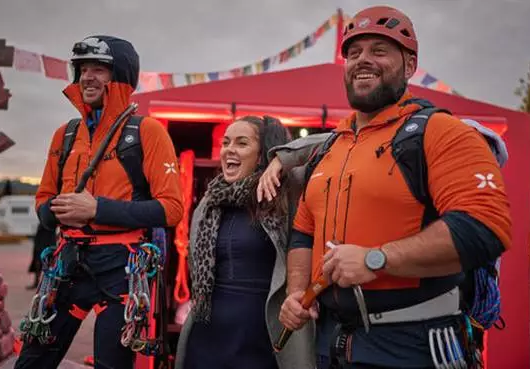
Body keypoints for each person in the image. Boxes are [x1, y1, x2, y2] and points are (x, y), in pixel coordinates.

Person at [258, 6, 512, 369]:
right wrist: (299, 291)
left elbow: (486, 227)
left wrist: (376, 259)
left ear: (409, 66)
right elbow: (303, 231)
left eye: (379, 50)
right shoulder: (331, 147)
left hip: (414, 345)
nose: (363, 60)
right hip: (332, 342)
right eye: (354, 53)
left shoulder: (441, 132)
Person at [15, 35, 183, 369]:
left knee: (111, 364)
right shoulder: (64, 134)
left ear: (120, 75)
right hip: (66, 264)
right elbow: (43, 203)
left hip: (122, 268)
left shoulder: (148, 132)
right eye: (82, 69)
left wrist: (97, 209)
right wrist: (57, 213)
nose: (87, 77)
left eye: (98, 69)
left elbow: (171, 209)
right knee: (31, 361)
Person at [175, 116, 315, 369]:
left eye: (242, 143)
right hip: (207, 335)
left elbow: (331, 141)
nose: (229, 149)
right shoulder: (211, 201)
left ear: (264, 154)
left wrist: (282, 161)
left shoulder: (287, 192)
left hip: (261, 337)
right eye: (226, 142)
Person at [26, 224, 57, 290]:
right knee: (37, 261)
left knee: (48, 261)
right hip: (40, 239)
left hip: (48, 238)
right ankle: (37, 282)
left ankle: (47, 284)